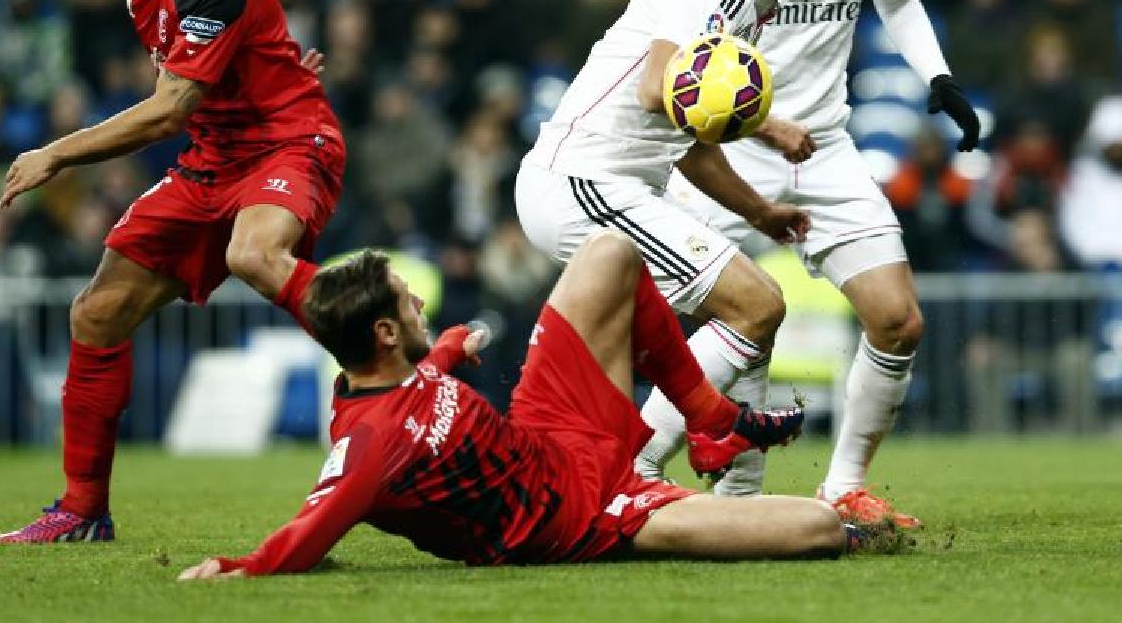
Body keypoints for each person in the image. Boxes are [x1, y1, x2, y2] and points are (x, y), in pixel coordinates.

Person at [635, 0, 980, 528]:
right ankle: (649, 470)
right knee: (719, 324)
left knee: (898, 319)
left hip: (824, 148)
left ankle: (842, 484)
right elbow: (680, 29)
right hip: (724, 149)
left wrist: (940, 77)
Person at [0, 0, 347, 543]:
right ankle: (82, 509)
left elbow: (167, 109)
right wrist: (263, 61)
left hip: (286, 142)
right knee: (96, 313)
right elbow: (181, 69)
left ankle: (397, 357)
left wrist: (56, 152)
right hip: (213, 153)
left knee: (254, 255)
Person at [177, 231, 850, 579]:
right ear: (383, 333)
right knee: (818, 527)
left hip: (548, 426)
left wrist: (440, 354)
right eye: (405, 297)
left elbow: (414, 390)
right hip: (581, 516)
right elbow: (315, 522)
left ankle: (707, 420)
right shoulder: (368, 446)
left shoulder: (378, 377)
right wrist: (244, 568)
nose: (418, 296)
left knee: (611, 251)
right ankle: (669, 477)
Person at [513, 0, 847, 496]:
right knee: (757, 303)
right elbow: (652, 88)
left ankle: (739, 494)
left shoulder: (748, 5)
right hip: (582, 179)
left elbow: (687, 140)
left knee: (751, 314)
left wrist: (760, 213)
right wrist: (768, 123)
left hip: (618, 184)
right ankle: (636, 469)